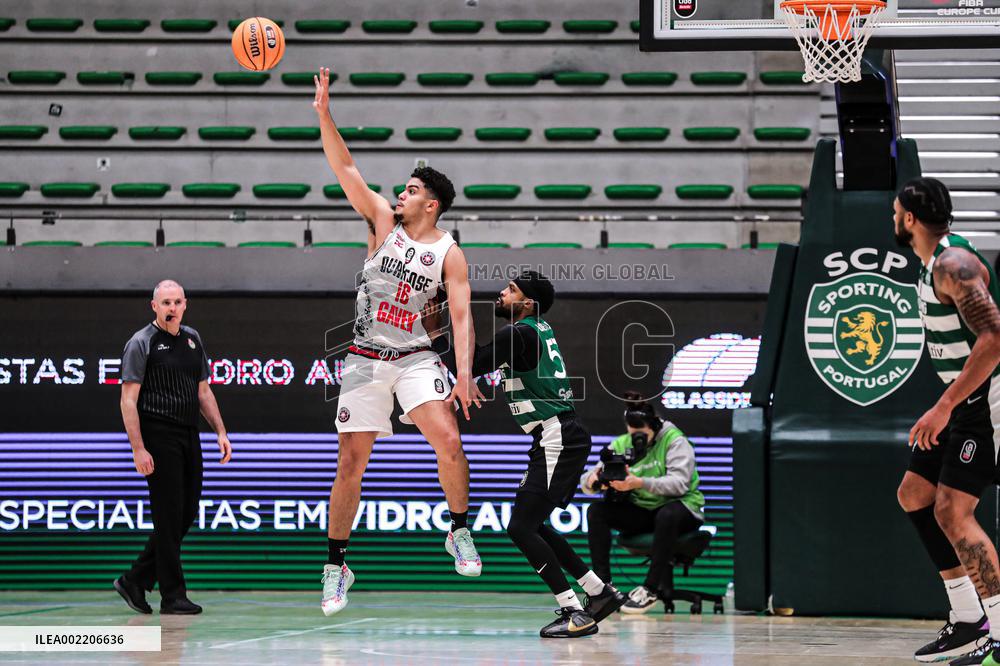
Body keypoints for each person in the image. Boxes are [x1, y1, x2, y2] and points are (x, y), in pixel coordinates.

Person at [312, 67, 483, 616]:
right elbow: (346, 167)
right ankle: (337, 565)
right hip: (365, 357)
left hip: (415, 357)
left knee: (448, 438)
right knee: (350, 462)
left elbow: (461, 318)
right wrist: (324, 115)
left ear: (430, 204)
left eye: (411, 190)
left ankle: (458, 530)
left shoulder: (449, 254)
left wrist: (463, 374)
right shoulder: (382, 222)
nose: (401, 194)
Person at [428, 271, 625, 638]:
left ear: (528, 303)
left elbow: (472, 363)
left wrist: (437, 334)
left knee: (521, 527)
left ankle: (575, 611)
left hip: (557, 434)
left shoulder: (518, 333)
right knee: (532, 525)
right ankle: (599, 592)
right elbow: (478, 363)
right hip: (558, 434)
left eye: (511, 289)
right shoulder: (534, 331)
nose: (502, 293)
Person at [893, 177, 1000, 666]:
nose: (893, 219)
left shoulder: (954, 264)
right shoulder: (932, 264)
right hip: (962, 401)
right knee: (915, 493)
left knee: (954, 511)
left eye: (895, 212)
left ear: (909, 218)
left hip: (986, 400)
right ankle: (968, 620)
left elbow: (994, 340)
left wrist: (944, 406)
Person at [115, 279, 232, 615]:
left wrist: (220, 431)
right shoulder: (142, 342)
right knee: (168, 516)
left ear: (185, 305)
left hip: (188, 433)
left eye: (177, 302)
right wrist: (138, 448)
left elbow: (203, 391)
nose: (172, 308)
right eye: (165, 303)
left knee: (186, 512)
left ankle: (135, 579)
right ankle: (172, 595)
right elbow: (127, 400)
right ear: (154, 306)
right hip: (158, 433)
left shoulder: (193, 339)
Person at [580, 392, 705, 614]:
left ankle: (650, 589)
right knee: (597, 510)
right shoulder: (621, 443)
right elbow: (588, 479)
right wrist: (594, 481)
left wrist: (639, 483)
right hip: (645, 512)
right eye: (633, 434)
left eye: (643, 435)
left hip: (682, 508)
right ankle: (603, 588)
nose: (637, 439)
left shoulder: (675, 441)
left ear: (655, 427)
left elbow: (679, 484)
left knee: (667, 514)